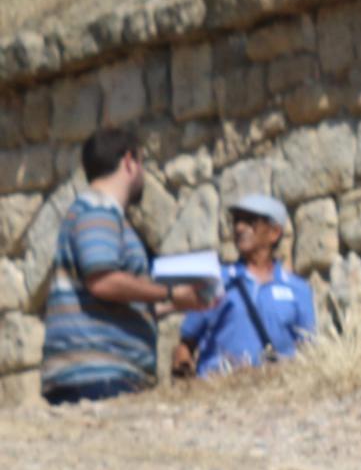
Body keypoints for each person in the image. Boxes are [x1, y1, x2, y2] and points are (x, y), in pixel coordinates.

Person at [39, 128, 174, 407]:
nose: (143, 175)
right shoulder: (97, 209)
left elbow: (119, 297)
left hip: (101, 376)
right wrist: (168, 292)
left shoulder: (99, 212)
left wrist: (181, 300)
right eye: (142, 164)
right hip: (98, 378)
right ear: (129, 161)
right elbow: (103, 282)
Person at [182, 193, 319, 374]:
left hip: (277, 387)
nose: (239, 228)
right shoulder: (216, 281)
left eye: (250, 222)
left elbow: (308, 351)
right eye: (236, 221)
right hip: (220, 386)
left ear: (274, 233)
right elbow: (186, 344)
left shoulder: (298, 290)